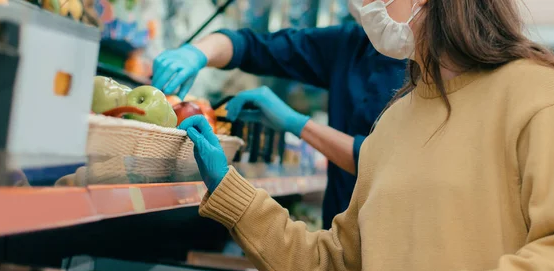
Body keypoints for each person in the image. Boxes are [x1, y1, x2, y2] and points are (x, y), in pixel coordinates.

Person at [177, 0, 554, 271]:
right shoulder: (392, 122)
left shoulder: (537, 94)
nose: (363, 6)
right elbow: (337, 265)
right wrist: (229, 191)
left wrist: (298, 123)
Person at [152, 18, 407, 229]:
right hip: (340, 232)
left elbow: (385, 163)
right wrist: (198, 52)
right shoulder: (354, 43)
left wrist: (298, 124)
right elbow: (254, 47)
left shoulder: (434, 72)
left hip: (392, 243)